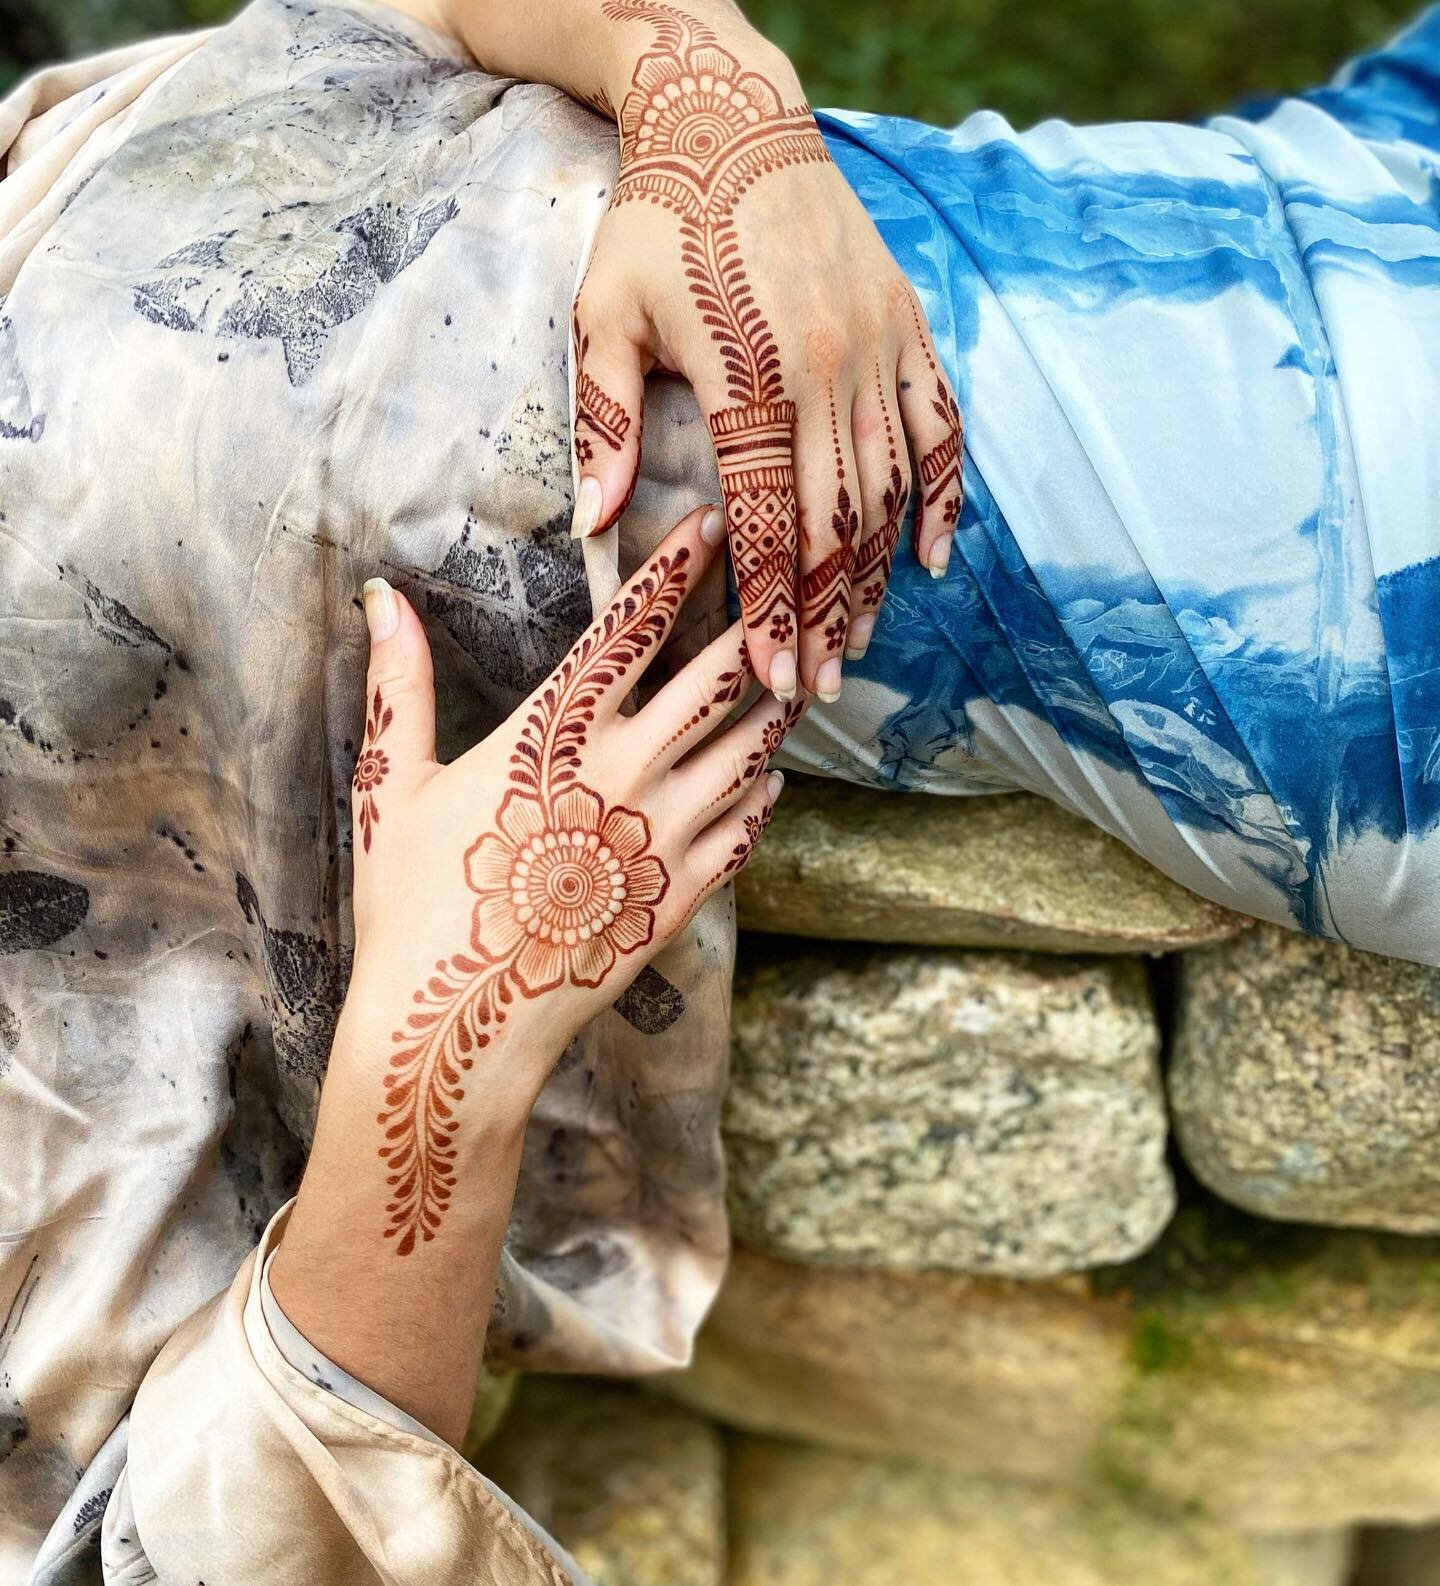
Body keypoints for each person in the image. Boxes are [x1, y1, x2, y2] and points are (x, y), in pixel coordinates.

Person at [0, 0, 1435, 1577]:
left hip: (1270, 183)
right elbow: (191, 1540)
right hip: (1257, 568)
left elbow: (346, 38)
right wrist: (444, 1040)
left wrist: (692, 86)